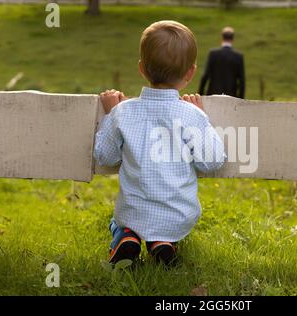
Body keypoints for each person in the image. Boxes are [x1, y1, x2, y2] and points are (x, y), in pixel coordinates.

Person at [94, 21, 226, 266]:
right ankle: (163, 243)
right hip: (178, 216)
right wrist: (201, 119)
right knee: (165, 224)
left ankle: (126, 237)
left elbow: (105, 156)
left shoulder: (123, 112)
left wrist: (111, 113)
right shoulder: (191, 115)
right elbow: (212, 161)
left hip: (132, 212)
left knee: (121, 221)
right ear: (190, 73)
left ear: (142, 69)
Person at [199, 26, 245, 99]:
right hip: (231, 96)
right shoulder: (238, 56)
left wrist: (200, 94)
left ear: (222, 38)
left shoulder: (213, 54)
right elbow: (242, 81)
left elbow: (205, 75)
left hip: (213, 95)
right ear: (233, 39)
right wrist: (241, 99)